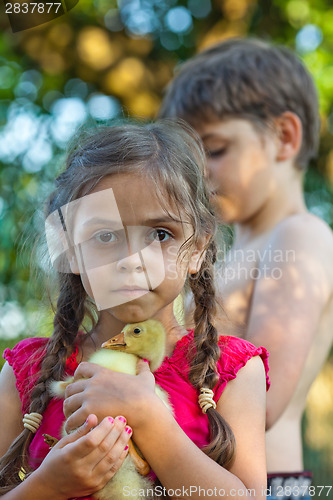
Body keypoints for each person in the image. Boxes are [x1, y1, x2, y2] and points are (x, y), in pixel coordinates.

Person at [0, 121, 270, 499]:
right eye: (105, 236)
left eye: (160, 234)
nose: (132, 260)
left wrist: (149, 419)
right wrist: (47, 485)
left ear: (197, 250)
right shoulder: (26, 372)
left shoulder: (231, 370)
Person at [158, 38, 333, 496]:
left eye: (214, 150)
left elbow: (264, 400)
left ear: (284, 137)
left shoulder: (298, 237)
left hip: (268, 486)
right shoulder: (237, 248)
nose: (201, 175)